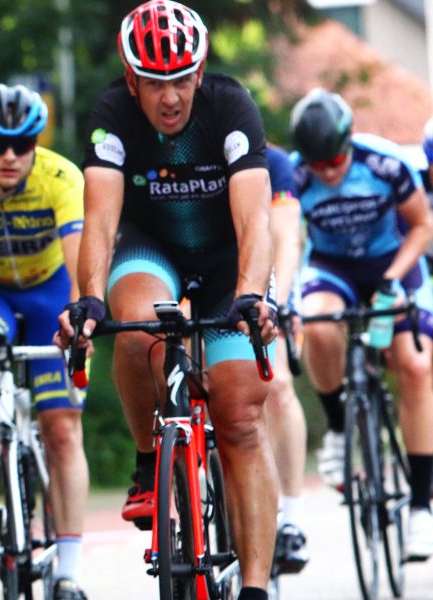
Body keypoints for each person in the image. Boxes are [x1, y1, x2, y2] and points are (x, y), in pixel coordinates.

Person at [54, 2, 279, 598]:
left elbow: (255, 219)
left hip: (228, 258)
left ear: (199, 72)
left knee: (240, 418)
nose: (171, 97)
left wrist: (251, 295)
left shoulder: (230, 106)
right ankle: (146, 460)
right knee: (135, 327)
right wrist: (88, 299)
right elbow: (100, 220)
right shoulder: (112, 114)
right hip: (151, 250)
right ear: (132, 81)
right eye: (155, 83)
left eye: (181, 78)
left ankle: (256, 587)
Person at [0, 83, 90, 599]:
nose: (9, 156)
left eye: (22, 145)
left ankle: (69, 570)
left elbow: (80, 258)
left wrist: (81, 317)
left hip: (49, 290)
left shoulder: (60, 176)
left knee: (62, 430)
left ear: (36, 143)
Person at [290, 87, 433, 560]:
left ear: (349, 141)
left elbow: (422, 226)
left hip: (393, 262)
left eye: (336, 161)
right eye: (319, 165)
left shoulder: (385, 164)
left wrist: (393, 279)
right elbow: (290, 237)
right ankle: (337, 426)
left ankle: (421, 507)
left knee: (414, 365)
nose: (329, 173)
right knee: (318, 323)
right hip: (333, 268)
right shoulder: (295, 175)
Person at [262, 144, 311, 573]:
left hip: (270, 277)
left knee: (276, 383)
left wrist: (276, 303)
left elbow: (286, 239)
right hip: (204, 272)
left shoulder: (275, 163)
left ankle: (291, 516)